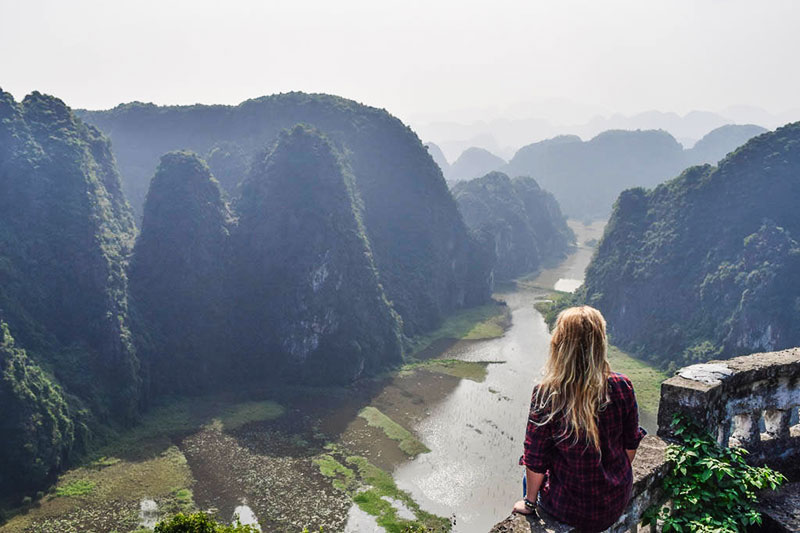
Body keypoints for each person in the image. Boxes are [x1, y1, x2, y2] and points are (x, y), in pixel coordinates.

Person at [512, 305, 646, 532]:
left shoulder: (548, 394)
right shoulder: (622, 385)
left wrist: (529, 503)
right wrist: (608, 482)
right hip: (615, 501)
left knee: (529, 477)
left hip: (569, 509)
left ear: (559, 345)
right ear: (600, 343)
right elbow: (629, 448)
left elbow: (535, 459)